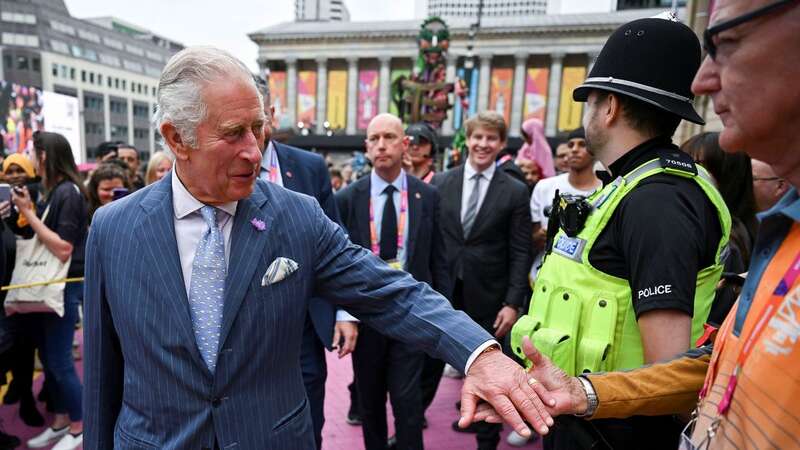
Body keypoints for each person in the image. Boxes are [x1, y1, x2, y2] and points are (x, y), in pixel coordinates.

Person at [83, 46, 557, 450]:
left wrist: (480, 352)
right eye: (233, 133)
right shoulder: (113, 229)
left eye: (258, 127)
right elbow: (103, 376)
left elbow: (393, 292)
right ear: (176, 139)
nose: (255, 150)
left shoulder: (297, 216)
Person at [509, 17, 731, 450]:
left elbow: (667, 368)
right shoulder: (629, 186)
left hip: (620, 435)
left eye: (588, 100)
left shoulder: (658, 201)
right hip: (589, 422)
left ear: (608, 106)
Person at [336, 113, 450, 450]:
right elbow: (337, 264)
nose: (381, 145)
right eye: (374, 139)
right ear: (366, 147)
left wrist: (439, 313)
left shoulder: (426, 196)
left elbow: (438, 260)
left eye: (389, 137)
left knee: (407, 402)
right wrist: (346, 315)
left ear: (405, 145)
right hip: (368, 315)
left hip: (411, 315)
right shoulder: (348, 198)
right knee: (370, 403)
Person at [254, 76, 357, 450]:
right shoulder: (219, 168)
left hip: (303, 320)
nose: (252, 133)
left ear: (272, 115)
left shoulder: (309, 167)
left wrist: (345, 313)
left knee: (309, 417)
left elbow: (337, 245)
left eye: (258, 118)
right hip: (244, 324)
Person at [432, 111, 533, 450]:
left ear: (501, 144)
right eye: (477, 137)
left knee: (489, 372)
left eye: (491, 138)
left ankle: (486, 442)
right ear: (467, 140)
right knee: (426, 367)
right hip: (443, 292)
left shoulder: (516, 191)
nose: (483, 144)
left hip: (490, 298)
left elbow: (520, 251)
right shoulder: (442, 182)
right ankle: (411, 421)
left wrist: (513, 302)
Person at [12, 131, 87, 450]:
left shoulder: (68, 192)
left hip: (62, 287)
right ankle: (60, 420)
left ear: (44, 156)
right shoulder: (52, 191)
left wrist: (27, 213)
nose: (28, 158)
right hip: (48, 287)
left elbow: (63, 247)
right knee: (50, 358)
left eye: (32, 152)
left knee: (59, 362)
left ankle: (81, 426)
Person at [0, 153, 44, 427]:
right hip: (4, 291)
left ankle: (27, 396)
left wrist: (26, 212)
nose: (15, 175)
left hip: (28, 286)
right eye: (9, 170)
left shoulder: (38, 198)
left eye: (20, 170)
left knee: (27, 346)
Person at [528, 127, 601, 282]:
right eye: (571, 145)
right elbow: (529, 236)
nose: (574, 150)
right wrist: (540, 236)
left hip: (585, 280)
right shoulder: (544, 187)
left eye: (582, 144)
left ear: (594, 150)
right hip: (543, 277)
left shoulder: (605, 191)